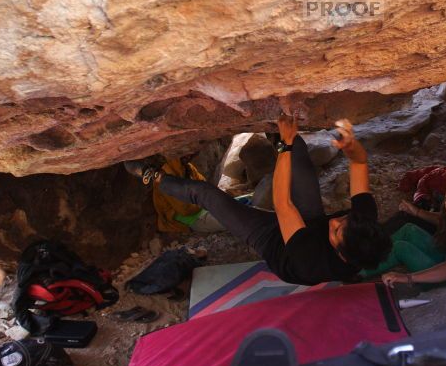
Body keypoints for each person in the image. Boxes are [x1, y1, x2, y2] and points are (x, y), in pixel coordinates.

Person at [124, 115, 391, 285]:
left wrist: (285, 146)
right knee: (300, 159)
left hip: (275, 244)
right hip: (310, 225)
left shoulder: (309, 260)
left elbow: (282, 201)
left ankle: (153, 177)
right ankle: (276, 130)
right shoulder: (362, 226)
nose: (336, 221)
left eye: (337, 231)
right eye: (342, 220)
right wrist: (352, 148)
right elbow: (360, 163)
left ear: (342, 256)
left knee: (207, 195)